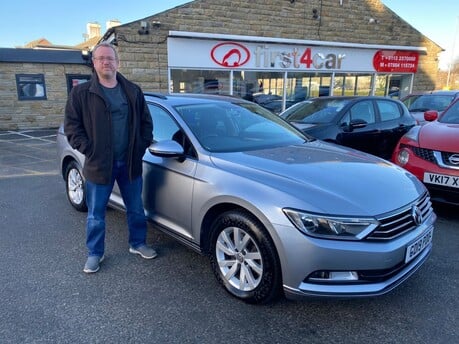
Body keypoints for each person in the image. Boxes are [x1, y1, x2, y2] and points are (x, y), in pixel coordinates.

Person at [64, 42, 156, 273]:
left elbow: (146, 123)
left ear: (118, 62)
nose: (106, 62)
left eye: (110, 58)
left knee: (135, 208)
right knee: (96, 214)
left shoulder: (133, 90)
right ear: (94, 63)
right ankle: (95, 253)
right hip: (99, 165)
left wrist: (140, 147)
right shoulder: (81, 93)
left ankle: (138, 243)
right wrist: (89, 149)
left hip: (130, 163)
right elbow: (72, 127)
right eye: (101, 58)